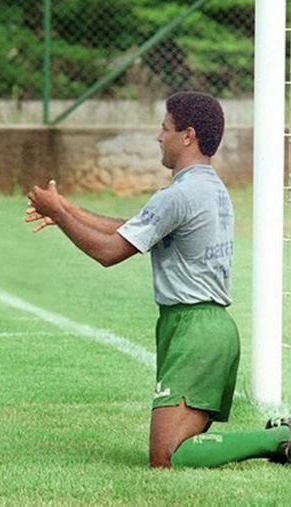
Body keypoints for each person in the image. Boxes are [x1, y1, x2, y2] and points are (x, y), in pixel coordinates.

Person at [25, 91, 290, 468]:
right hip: (204, 328)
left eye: (164, 128)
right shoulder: (208, 188)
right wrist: (68, 209)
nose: (158, 137)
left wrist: (61, 217)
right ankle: (275, 437)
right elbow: (136, 230)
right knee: (179, 447)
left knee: (166, 456)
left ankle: (277, 438)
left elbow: (109, 252)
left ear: (188, 135)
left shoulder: (179, 195)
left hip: (195, 331)